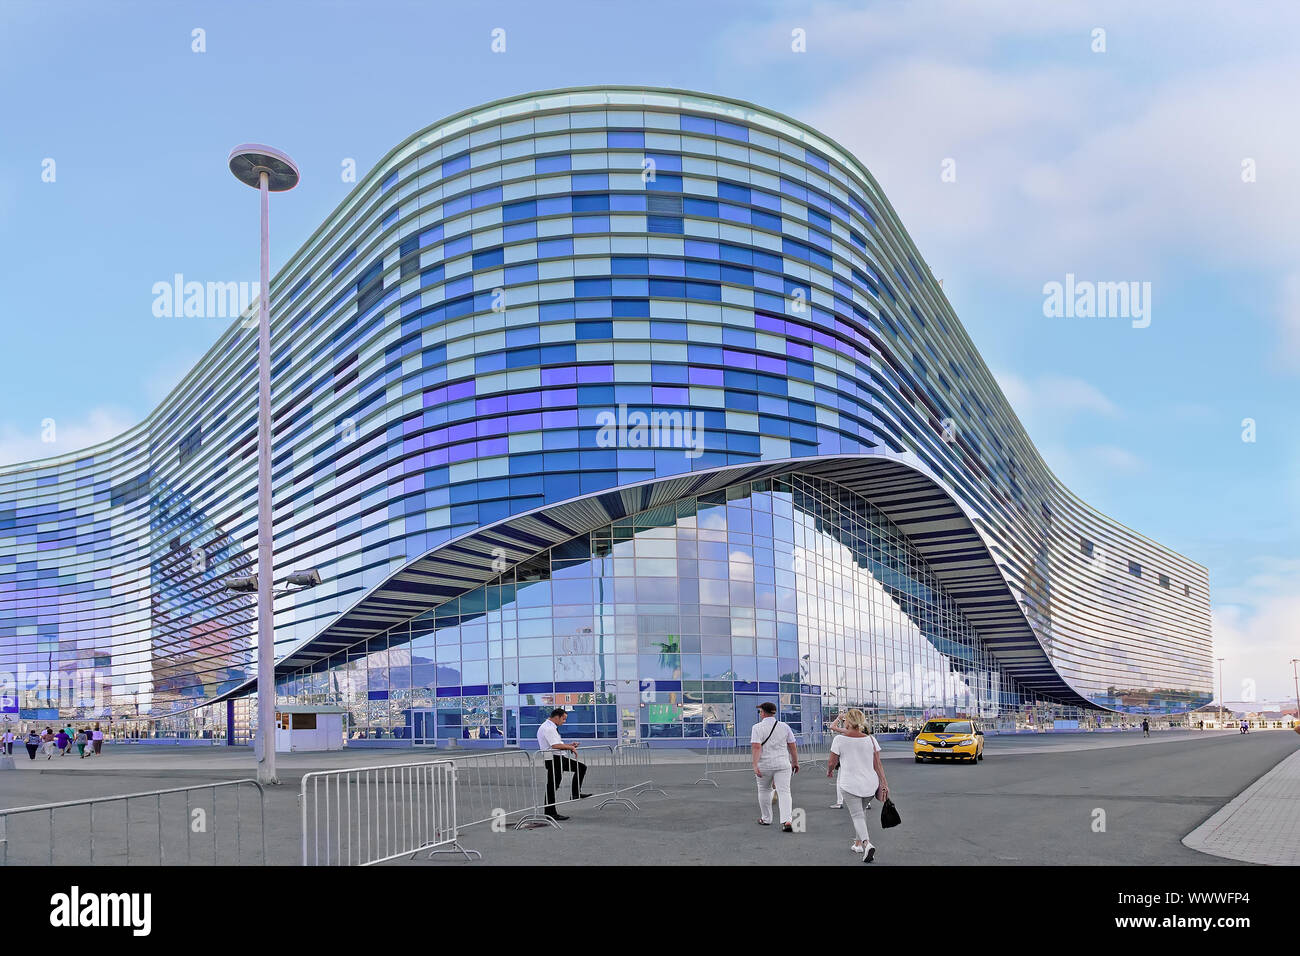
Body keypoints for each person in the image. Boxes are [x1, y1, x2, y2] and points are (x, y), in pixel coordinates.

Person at [826, 708, 888, 863]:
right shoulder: (871, 740)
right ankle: (858, 844)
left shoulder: (839, 740)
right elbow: (878, 764)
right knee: (860, 813)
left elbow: (832, 762)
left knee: (857, 814)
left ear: (848, 721)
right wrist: (884, 783)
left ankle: (867, 844)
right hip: (870, 784)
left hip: (850, 784)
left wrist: (829, 771)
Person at [750, 701, 799, 832]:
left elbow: (756, 746)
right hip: (783, 764)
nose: (759, 713)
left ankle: (766, 818)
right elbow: (792, 746)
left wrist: (755, 765)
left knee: (764, 790)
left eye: (760, 711)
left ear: (763, 713)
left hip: (764, 764)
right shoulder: (784, 726)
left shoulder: (757, 728)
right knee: (784, 792)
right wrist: (795, 762)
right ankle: (787, 820)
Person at [536, 708, 590, 821]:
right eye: (563, 719)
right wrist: (570, 747)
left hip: (555, 758)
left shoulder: (548, 727)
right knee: (553, 785)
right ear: (557, 717)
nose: (564, 721)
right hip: (554, 759)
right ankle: (553, 811)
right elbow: (555, 745)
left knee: (553, 786)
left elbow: (557, 744)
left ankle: (552, 810)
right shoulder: (549, 728)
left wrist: (569, 745)